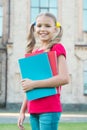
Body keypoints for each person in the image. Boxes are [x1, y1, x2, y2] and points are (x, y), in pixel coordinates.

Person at [18, 12, 69, 130]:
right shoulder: (33, 52)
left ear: (55, 29)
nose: (43, 29)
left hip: (49, 109)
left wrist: (33, 84)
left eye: (47, 26)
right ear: (35, 28)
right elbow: (28, 87)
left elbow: (64, 78)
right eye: (39, 25)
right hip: (33, 109)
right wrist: (22, 111)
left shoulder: (57, 48)